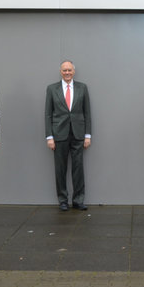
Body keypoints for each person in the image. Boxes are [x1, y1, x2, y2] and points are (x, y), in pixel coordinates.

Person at [44, 60, 92, 211]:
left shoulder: (82, 88)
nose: (67, 73)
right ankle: (63, 200)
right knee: (60, 168)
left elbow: (87, 113)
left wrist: (87, 135)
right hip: (59, 134)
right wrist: (49, 137)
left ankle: (78, 200)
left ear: (74, 72)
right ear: (60, 72)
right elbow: (48, 115)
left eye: (69, 70)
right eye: (64, 70)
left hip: (78, 134)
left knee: (78, 168)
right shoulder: (52, 89)